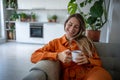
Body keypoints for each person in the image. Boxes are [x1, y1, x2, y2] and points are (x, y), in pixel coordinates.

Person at [31, 13, 112, 80]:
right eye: (70, 24)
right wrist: (57, 55)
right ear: (65, 24)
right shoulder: (55, 43)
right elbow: (34, 56)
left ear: (80, 29)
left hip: (92, 73)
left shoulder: (86, 41)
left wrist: (88, 60)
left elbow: (98, 62)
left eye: (76, 27)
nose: (72, 29)